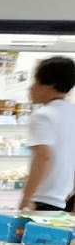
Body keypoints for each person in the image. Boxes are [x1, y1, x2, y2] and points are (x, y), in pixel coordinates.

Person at [20, 56, 75, 213]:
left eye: (36, 81)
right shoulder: (72, 112)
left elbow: (43, 157)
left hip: (43, 200)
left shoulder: (43, 115)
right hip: (66, 199)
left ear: (50, 85)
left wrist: (26, 198)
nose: (31, 88)